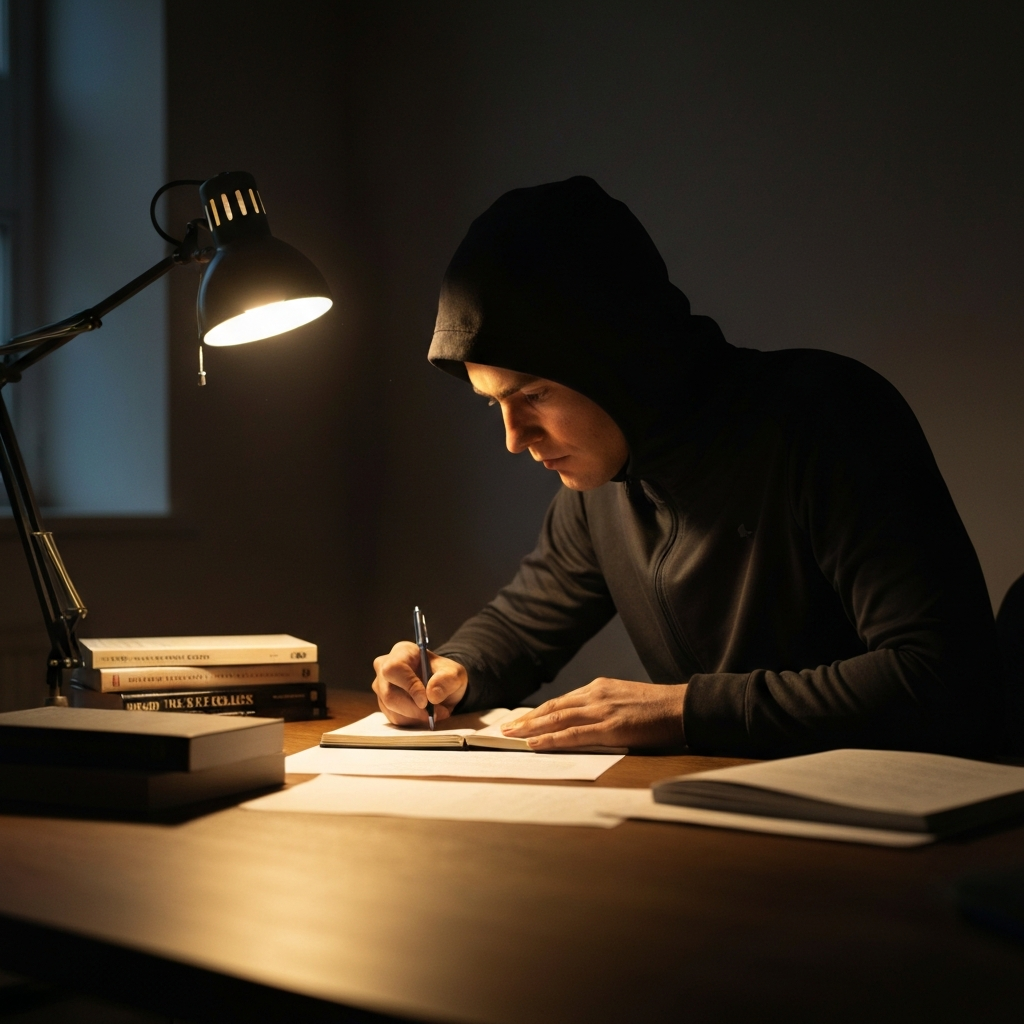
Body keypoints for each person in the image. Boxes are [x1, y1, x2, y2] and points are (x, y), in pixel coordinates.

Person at [371, 176, 1002, 757]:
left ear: (619, 360)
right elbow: (525, 623)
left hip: (904, 833)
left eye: (533, 395)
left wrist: (684, 709)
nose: (514, 438)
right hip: (729, 814)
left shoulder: (826, 419)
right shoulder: (604, 481)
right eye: (495, 405)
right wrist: (450, 669)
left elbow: (941, 673)